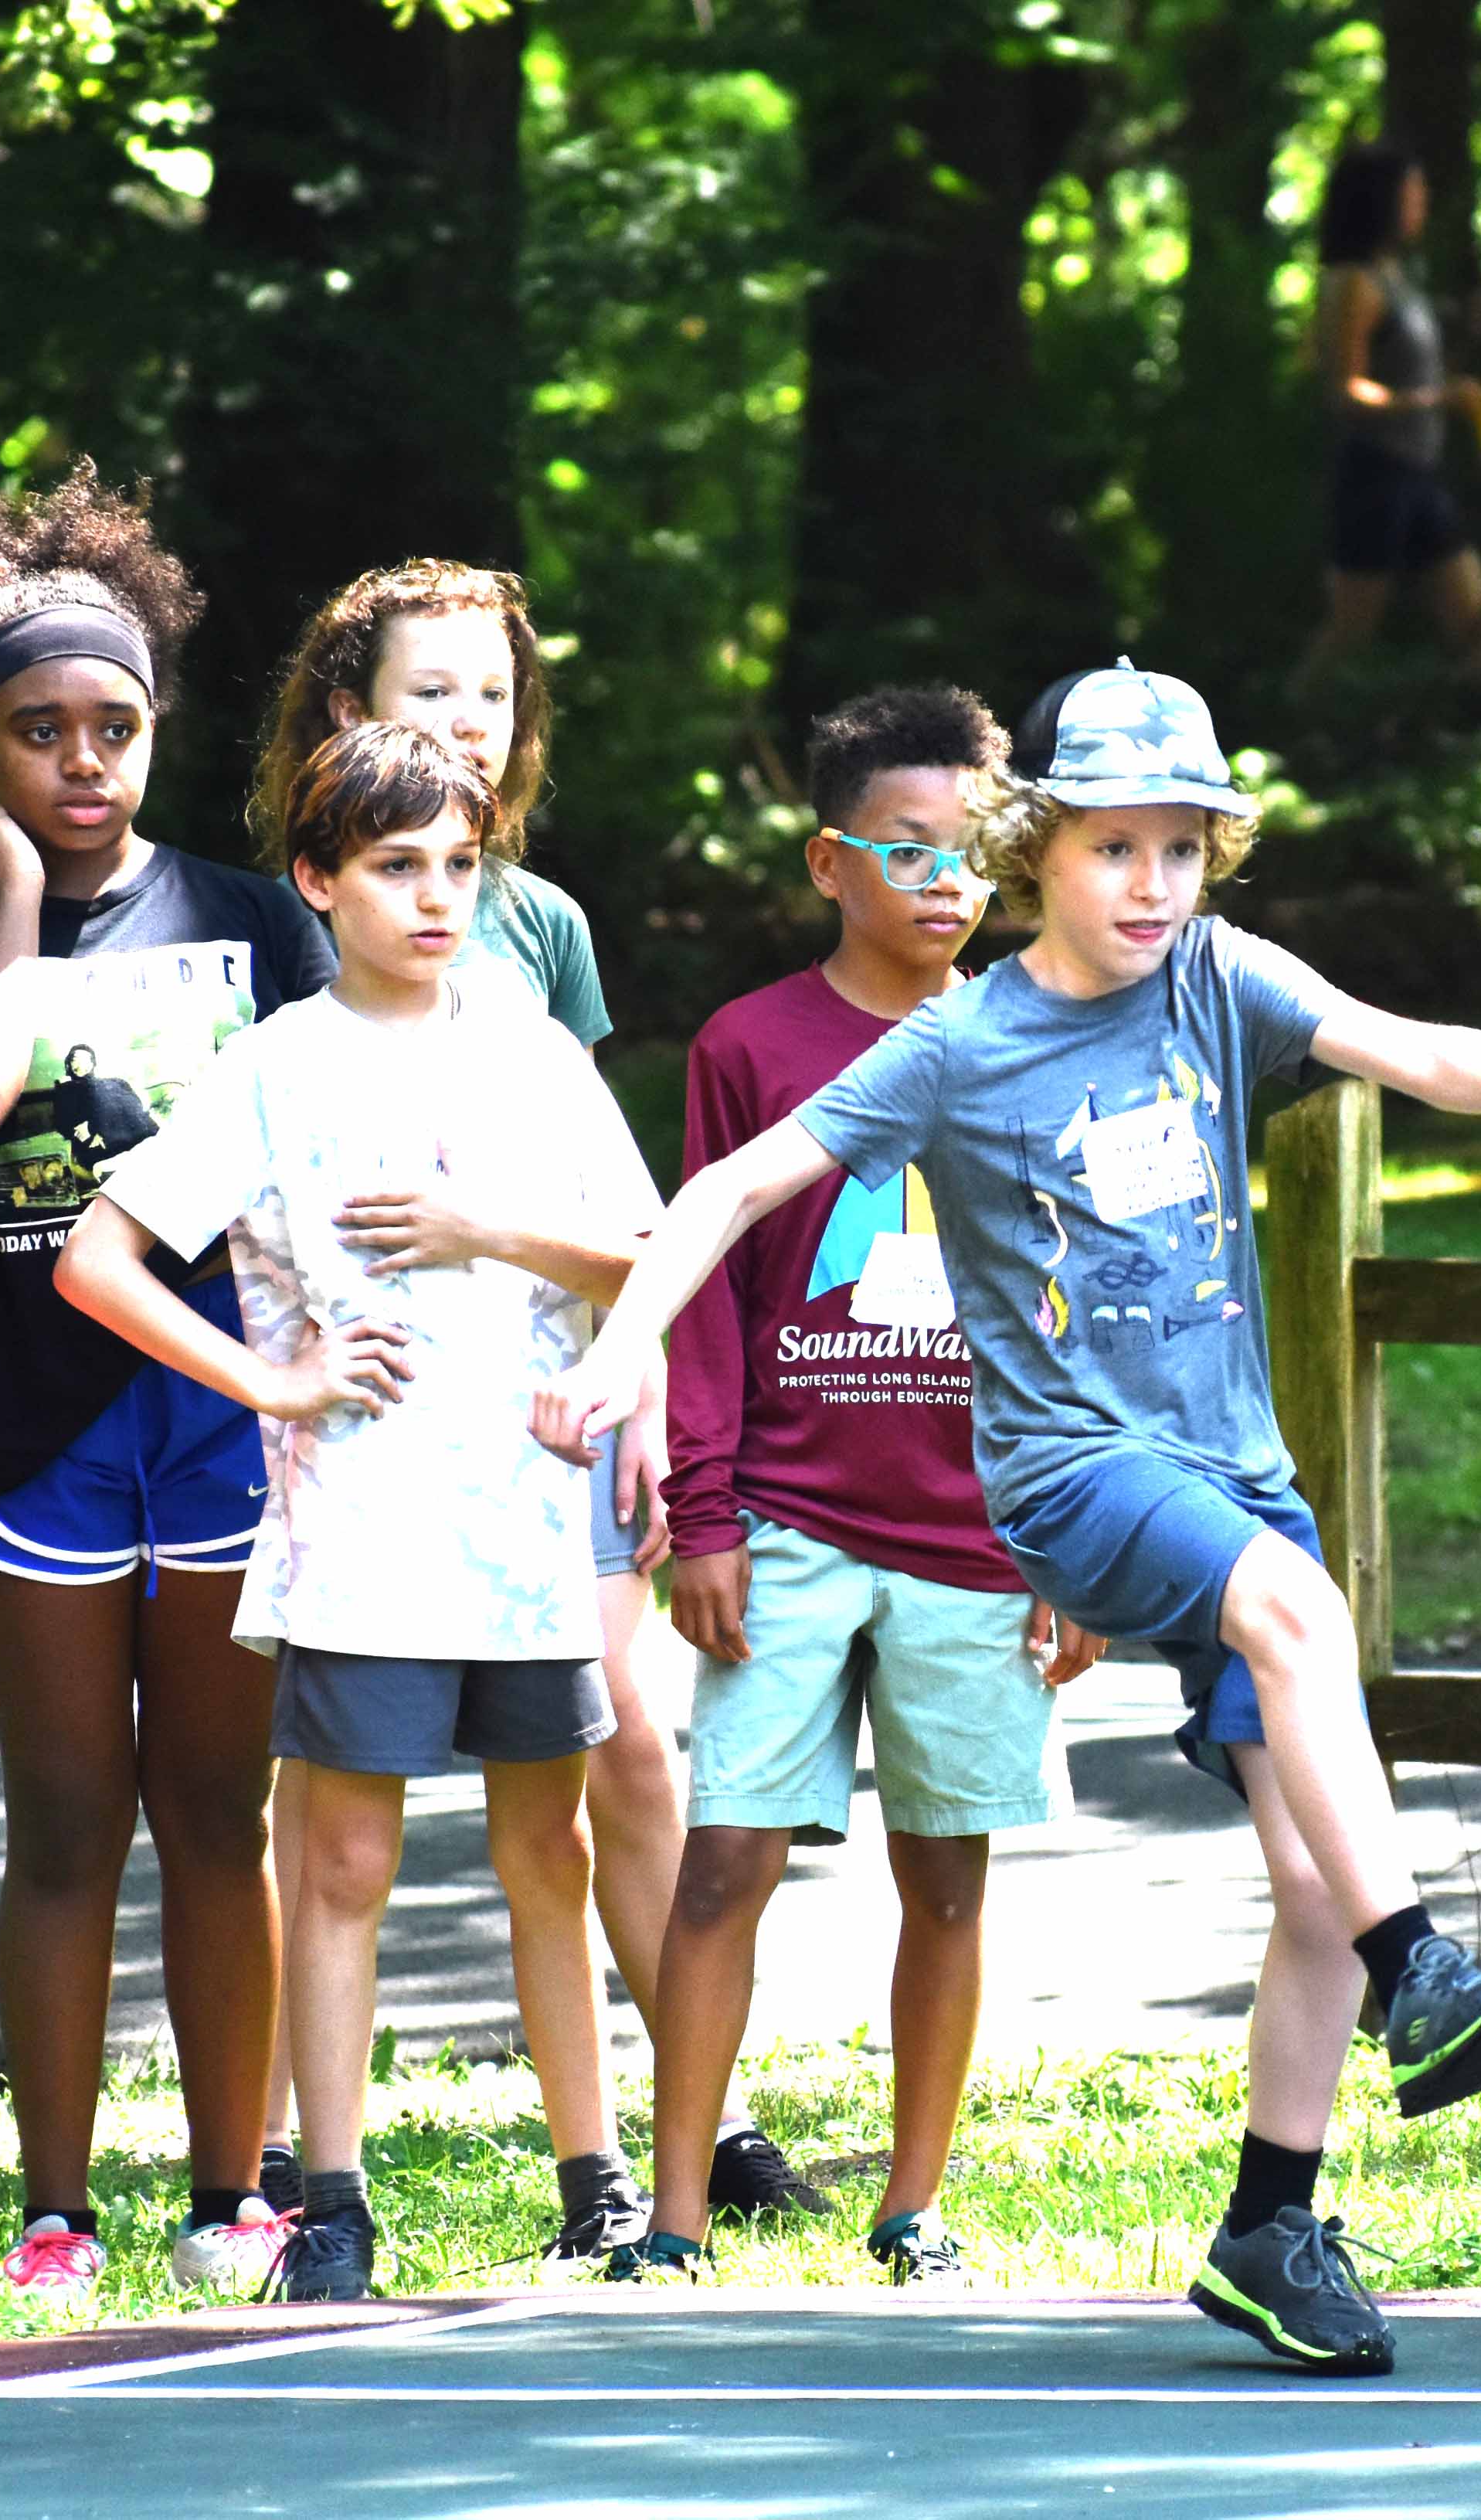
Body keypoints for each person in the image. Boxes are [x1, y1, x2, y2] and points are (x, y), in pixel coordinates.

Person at [540, 661, 1481, 2372]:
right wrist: (624, 1341)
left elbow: (1409, 1047)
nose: (1153, 884)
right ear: (1039, 846)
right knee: (1301, 1617)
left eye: (1184, 849)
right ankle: (1429, 1966)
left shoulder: (1218, 976)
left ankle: (1274, 2217)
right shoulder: (962, 1043)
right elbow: (741, 1184)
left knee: (1311, 1860)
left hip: (1230, 1468)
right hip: (1069, 1472)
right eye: (1117, 846)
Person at [56, 719, 658, 2302]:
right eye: (397, 867)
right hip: (363, 1543)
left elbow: (648, 1252)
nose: (437, 895)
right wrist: (274, 1385)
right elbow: (93, 1261)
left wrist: (484, 1227)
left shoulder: (533, 1046)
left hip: (527, 1535)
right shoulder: (274, 1062)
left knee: (552, 1851)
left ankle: (593, 2184)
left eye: (461, 863)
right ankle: (331, 2201)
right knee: (338, 1869)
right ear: (319, 879)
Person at [241, 563, 799, 2229]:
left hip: (537, 1427)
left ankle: (669, 2129)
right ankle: (285, 2142)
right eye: (433, 691)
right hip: (341, 1434)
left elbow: (623, 1221)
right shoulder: (291, 930)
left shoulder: (530, 931)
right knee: (327, 1808)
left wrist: (636, 1385)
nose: (470, 722)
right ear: (348, 717)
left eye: (493, 692)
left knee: (606, 1759)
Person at [0, 464, 319, 2301]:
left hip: (219, 1420)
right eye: (35, 727)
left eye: (112, 724)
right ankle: (52, 2200)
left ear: (157, 728)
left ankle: (234, 2190)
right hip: (25, 1430)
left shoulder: (250, 914)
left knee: (221, 1810)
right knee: (65, 1813)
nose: (79, 758)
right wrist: (7, 913)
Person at [613, 685, 1103, 2290]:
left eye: (974, 852)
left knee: (947, 1871)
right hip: (790, 1525)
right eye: (907, 850)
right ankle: (675, 2217)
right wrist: (704, 1512)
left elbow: (1075, 1300)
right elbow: (709, 1293)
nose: (946, 880)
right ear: (832, 864)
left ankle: (915, 2204)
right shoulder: (752, 1047)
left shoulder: (1050, 1034)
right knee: (724, 1860)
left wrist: (1069, 1537)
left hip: (978, 1536)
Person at [1290, 140, 1481, 693]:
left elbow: (1414, 371)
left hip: (1419, 477)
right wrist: (1438, 400)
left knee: (1478, 630)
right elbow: (1346, 391)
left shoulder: (1399, 277)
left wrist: (1472, 332)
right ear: (1382, 200)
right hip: (1374, 477)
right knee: (1348, 634)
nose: (1423, 202)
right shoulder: (1354, 282)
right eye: (1413, 192)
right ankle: (1279, 742)